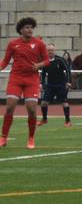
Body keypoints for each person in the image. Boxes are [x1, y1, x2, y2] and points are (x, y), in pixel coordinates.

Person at [0, 17, 49, 149]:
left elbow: (46, 61)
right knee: (10, 107)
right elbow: (5, 62)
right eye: (27, 27)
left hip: (32, 80)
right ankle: (3, 137)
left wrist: (38, 65)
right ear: (21, 30)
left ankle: (31, 138)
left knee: (32, 110)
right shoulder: (12, 44)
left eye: (31, 27)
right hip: (16, 78)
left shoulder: (39, 43)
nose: (30, 30)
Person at [40, 43, 72, 128]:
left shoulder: (60, 60)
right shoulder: (45, 61)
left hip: (61, 84)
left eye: (51, 50)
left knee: (64, 103)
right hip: (50, 85)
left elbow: (68, 70)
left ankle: (68, 121)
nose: (50, 52)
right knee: (43, 103)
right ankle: (44, 119)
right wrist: (42, 84)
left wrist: (68, 82)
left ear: (54, 51)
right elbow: (43, 74)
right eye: (48, 50)